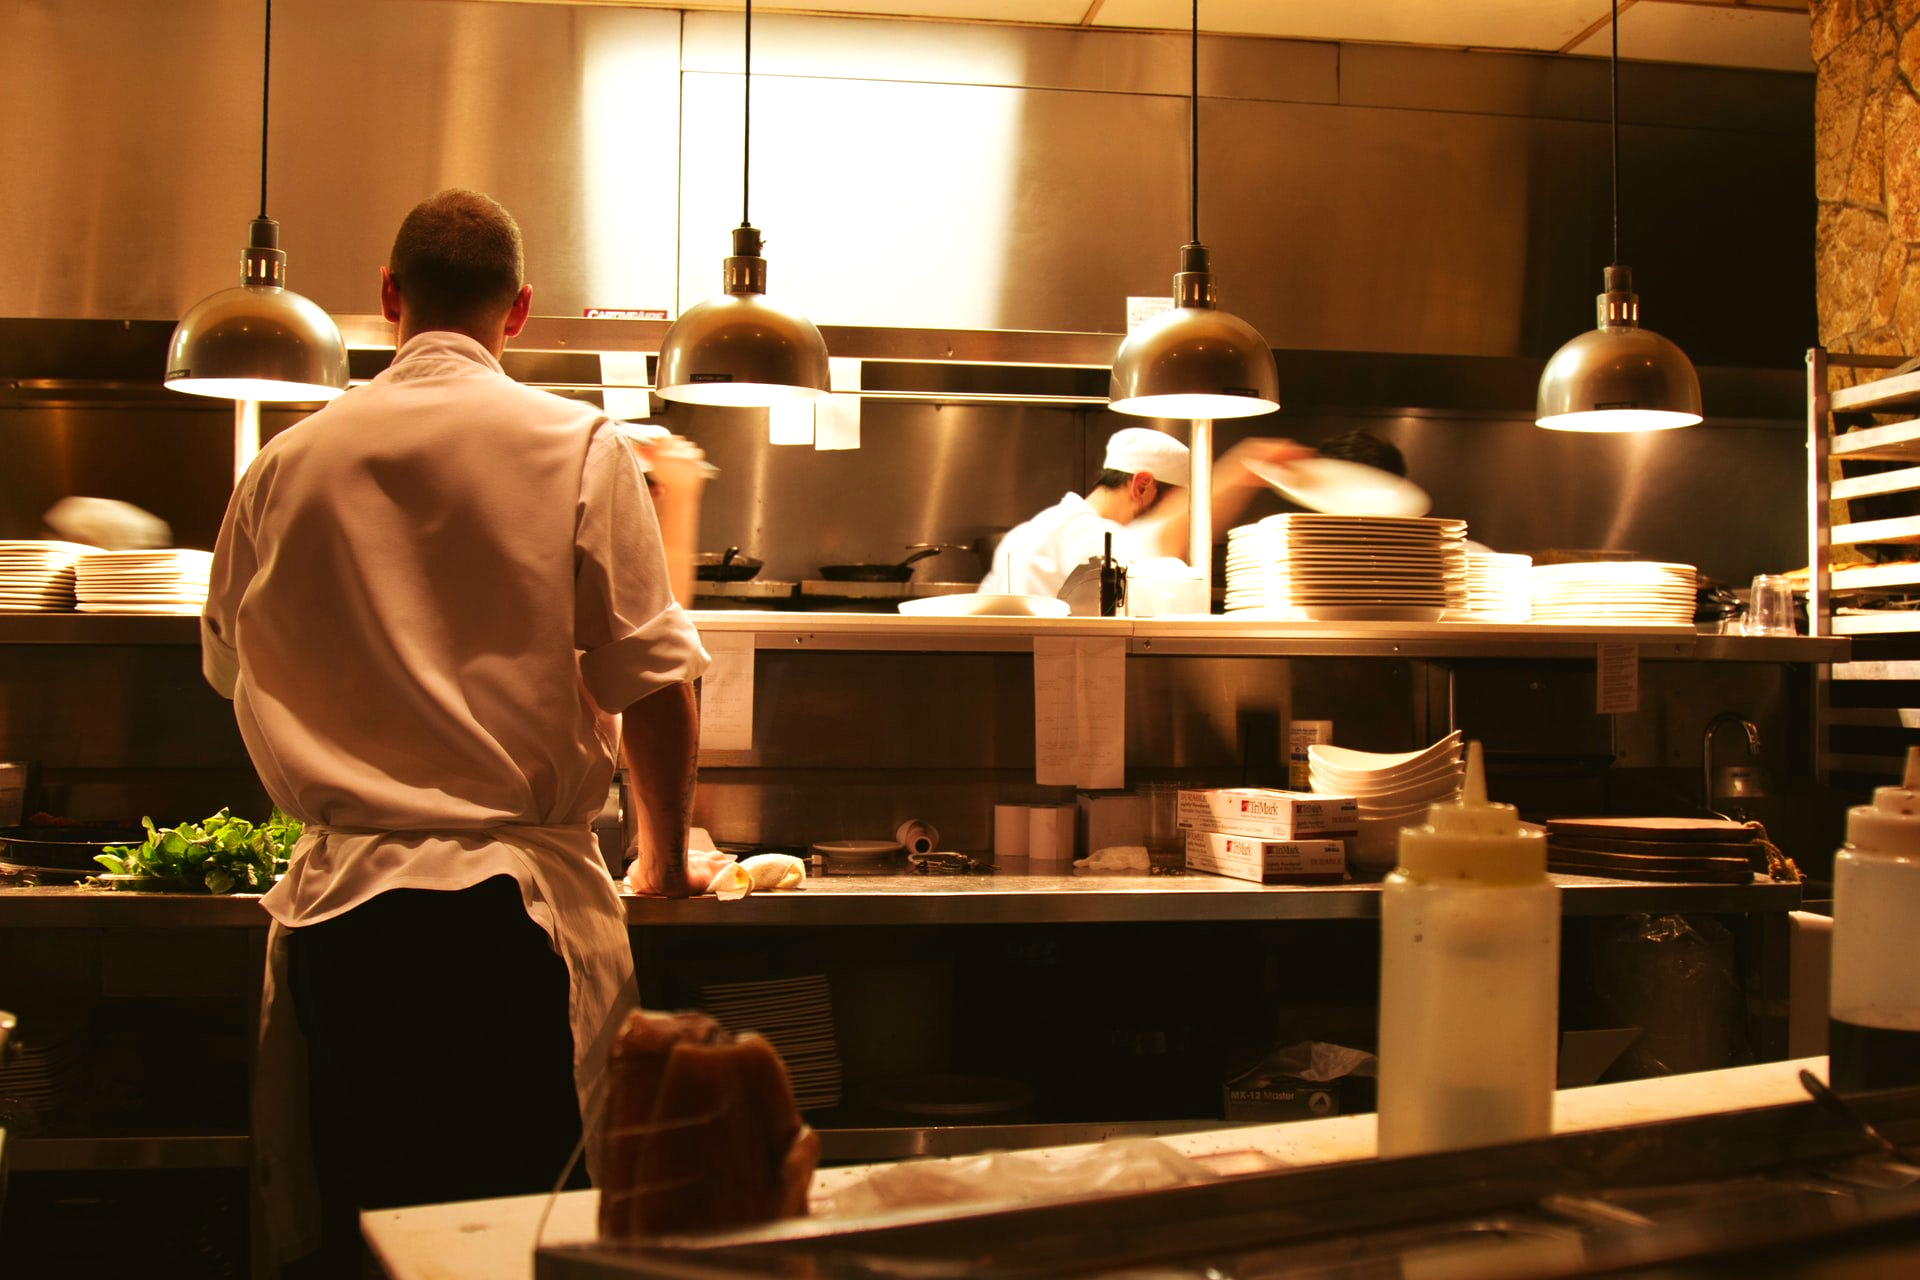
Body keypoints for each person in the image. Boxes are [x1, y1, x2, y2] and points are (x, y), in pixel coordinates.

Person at [200, 188, 720, 1276]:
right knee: (522, 1243)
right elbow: (655, 680)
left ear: (390, 296)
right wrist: (665, 861)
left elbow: (231, 668)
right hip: (507, 924)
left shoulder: (284, 463)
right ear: (518, 309)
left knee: (372, 1235)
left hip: (344, 923)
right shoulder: (577, 444)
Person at [979, 426, 1308, 599]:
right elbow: (1157, 544)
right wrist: (1246, 467)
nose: (1181, 518)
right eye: (1176, 506)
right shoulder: (1084, 537)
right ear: (1142, 486)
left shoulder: (1022, 534)